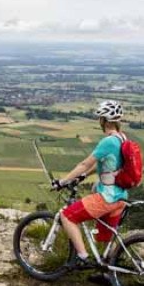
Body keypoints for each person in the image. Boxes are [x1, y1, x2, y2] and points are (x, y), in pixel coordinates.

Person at [52, 100, 130, 268]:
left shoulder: (108, 141)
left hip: (107, 198)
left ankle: (82, 257)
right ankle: (106, 272)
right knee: (104, 239)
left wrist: (63, 181)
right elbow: (103, 164)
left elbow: (85, 164)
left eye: (100, 118)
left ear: (104, 120)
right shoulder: (122, 138)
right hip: (121, 197)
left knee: (67, 216)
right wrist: (84, 176)